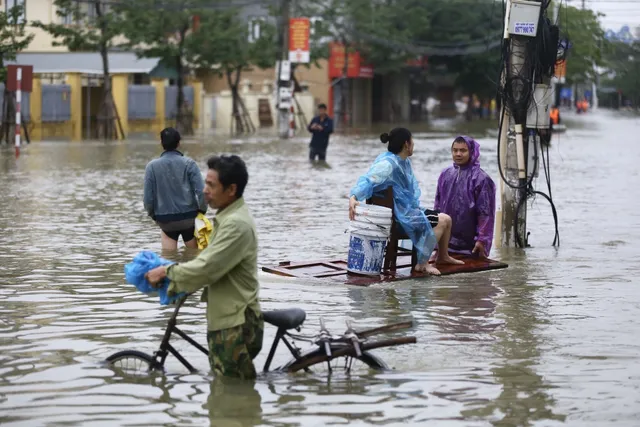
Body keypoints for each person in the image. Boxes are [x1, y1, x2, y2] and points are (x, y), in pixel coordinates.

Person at [145, 155, 263, 379]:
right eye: (205, 183)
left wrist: (167, 272)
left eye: (211, 185)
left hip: (234, 323)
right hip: (226, 317)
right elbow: (207, 264)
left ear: (231, 190)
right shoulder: (226, 218)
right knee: (221, 395)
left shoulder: (235, 224)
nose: (204, 190)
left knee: (229, 396)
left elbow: (208, 267)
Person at [348, 127, 463, 276]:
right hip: (399, 219)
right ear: (406, 144)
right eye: (412, 140)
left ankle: (443, 256)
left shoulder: (403, 161)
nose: (414, 144)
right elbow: (368, 180)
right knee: (440, 221)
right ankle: (422, 264)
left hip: (406, 212)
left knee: (447, 219)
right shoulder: (388, 164)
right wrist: (353, 197)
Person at [143, 127, 207, 250]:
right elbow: (202, 192)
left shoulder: (151, 167)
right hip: (189, 219)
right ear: (179, 143)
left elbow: (147, 198)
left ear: (161, 143)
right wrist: (201, 211)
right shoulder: (190, 164)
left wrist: (154, 216)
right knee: (194, 259)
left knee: (168, 260)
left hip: (165, 221)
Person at [434, 136, 496, 258]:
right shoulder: (445, 174)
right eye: (455, 150)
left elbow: (486, 214)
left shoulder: (481, 179)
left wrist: (482, 240)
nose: (458, 154)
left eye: (463, 150)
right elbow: (437, 204)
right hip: (445, 242)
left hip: (470, 245)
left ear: (472, 152)